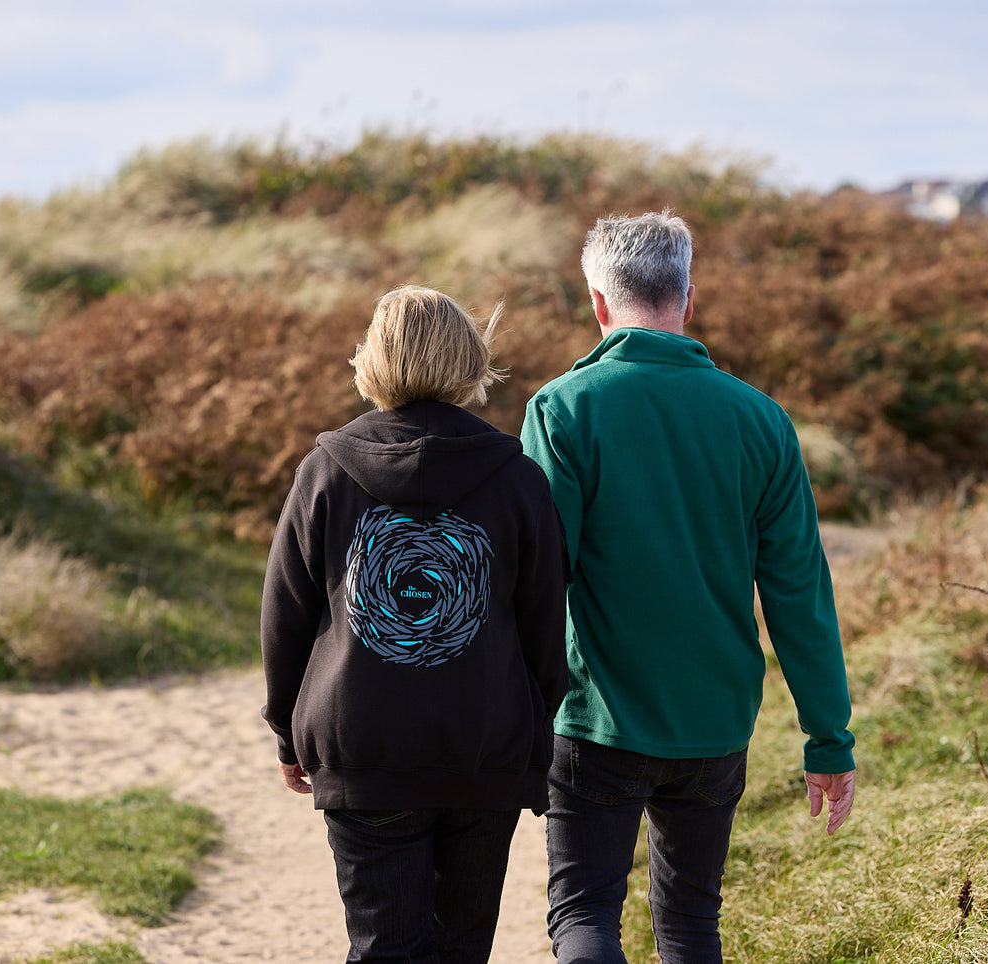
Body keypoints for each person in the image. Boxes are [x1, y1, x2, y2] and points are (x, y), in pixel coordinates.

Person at [519, 211, 856, 964]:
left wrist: (512, 712)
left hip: (594, 719)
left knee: (583, 916)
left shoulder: (562, 408)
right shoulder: (761, 419)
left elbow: (537, 580)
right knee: (691, 925)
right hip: (714, 724)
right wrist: (827, 737)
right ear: (688, 299)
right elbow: (798, 591)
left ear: (597, 303)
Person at [260, 285, 569, 964]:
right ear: (470, 359)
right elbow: (548, 625)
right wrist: (530, 726)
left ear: (373, 359)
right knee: (462, 950)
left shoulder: (323, 472)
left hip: (363, 746)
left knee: (383, 948)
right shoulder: (518, 478)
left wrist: (287, 730)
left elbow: (286, 616)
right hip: (485, 747)